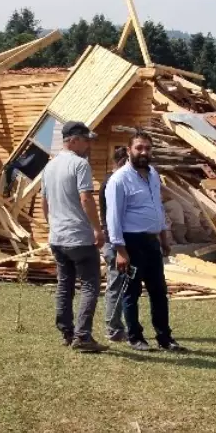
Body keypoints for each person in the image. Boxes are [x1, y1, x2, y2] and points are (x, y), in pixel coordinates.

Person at [105, 130, 185, 352]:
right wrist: (120, 251)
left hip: (152, 242)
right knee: (132, 291)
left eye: (147, 148)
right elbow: (114, 218)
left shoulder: (153, 175)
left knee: (159, 291)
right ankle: (135, 337)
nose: (143, 152)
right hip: (131, 242)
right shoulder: (119, 180)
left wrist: (164, 236)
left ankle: (165, 337)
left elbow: (157, 207)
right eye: (139, 148)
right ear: (129, 150)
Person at [40, 121, 107, 352]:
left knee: (65, 284)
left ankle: (67, 331)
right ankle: (83, 336)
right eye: (86, 140)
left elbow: (44, 203)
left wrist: (53, 226)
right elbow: (86, 199)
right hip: (79, 235)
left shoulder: (49, 167)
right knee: (90, 284)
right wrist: (97, 229)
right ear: (74, 140)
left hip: (57, 237)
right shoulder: (80, 165)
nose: (89, 145)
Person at [100, 146, 131, 341]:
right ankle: (113, 328)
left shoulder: (110, 181)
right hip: (114, 241)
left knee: (120, 284)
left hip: (115, 239)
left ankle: (118, 324)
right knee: (116, 284)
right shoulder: (113, 182)